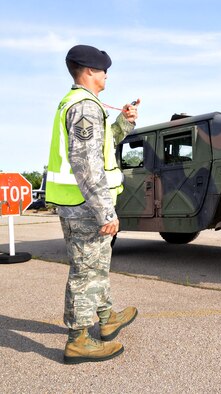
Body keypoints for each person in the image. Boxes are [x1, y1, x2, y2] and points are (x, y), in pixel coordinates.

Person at [46, 44, 140, 364]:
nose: (106, 75)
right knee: (86, 271)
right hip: (84, 204)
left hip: (83, 201)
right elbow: (86, 163)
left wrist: (124, 123)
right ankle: (79, 340)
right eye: (103, 70)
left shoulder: (86, 104)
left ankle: (106, 316)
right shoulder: (84, 106)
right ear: (88, 71)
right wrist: (104, 210)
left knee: (96, 266)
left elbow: (104, 145)